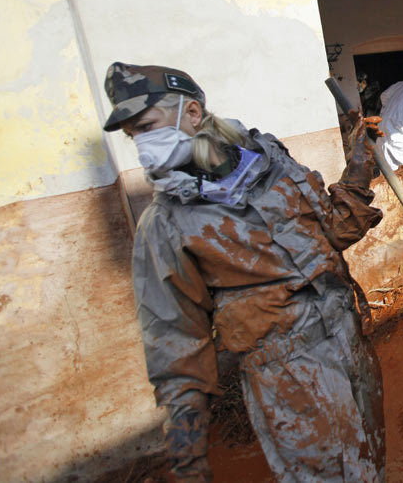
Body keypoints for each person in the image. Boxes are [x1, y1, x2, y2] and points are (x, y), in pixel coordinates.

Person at [102, 62, 386, 482]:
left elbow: (334, 230)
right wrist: (187, 451)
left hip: (349, 339)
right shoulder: (165, 224)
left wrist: (359, 160)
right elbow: (175, 338)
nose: (142, 145)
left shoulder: (268, 162)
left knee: (372, 464)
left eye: (146, 127)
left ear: (192, 113)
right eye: (133, 135)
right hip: (288, 374)